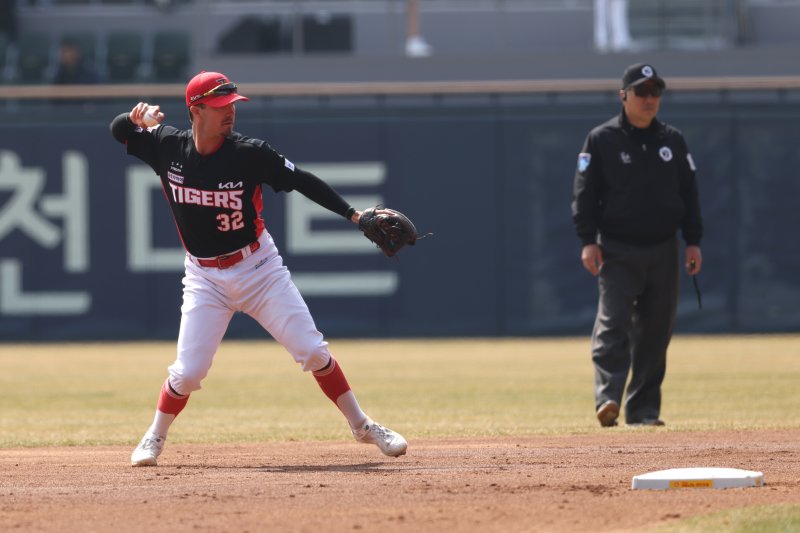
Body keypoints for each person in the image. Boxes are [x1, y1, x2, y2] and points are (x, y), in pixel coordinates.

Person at [109, 70, 408, 466]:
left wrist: (353, 216)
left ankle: (363, 426)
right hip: (204, 278)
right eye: (218, 107)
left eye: (232, 105)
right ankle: (154, 436)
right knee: (188, 373)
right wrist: (135, 120)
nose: (229, 113)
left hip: (259, 269)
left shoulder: (249, 153)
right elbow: (118, 131)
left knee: (312, 350)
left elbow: (302, 181)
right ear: (195, 110)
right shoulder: (166, 145)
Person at [571, 63, 703, 428]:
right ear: (623, 95)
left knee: (656, 331)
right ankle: (608, 398)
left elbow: (689, 195)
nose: (649, 99)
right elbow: (584, 195)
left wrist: (693, 241)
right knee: (613, 324)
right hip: (617, 247)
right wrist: (587, 241)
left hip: (663, 248)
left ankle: (644, 410)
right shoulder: (601, 139)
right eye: (641, 92)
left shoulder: (672, 140)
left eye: (655, 92)